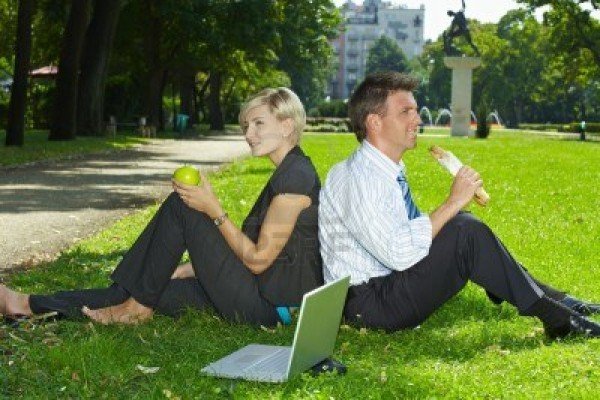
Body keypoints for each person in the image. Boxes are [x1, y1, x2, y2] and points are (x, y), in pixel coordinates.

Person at [1, 87, 322, 326]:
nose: (248, 134)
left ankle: (137, 305)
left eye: (258, 124)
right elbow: (259, 256)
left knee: (185, 206)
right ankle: (27, 304)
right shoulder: (288, 173)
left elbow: (257, 260)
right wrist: (185, 268)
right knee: (143, 289)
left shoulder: (295, 178)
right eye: (245, 126)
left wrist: (214, 210)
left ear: (287, 125)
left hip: (267, 308)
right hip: (253, 291)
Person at [318, 71, 600, 338]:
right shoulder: (359, 178)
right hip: (369, 306)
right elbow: (398, 253)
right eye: (406, 112)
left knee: (461, 225)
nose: (417, 120)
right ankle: (558, 318)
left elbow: (411, 234)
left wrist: (455, 215)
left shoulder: (380, 169)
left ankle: (555, 303)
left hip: (381, 290)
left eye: (416, 110)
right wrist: (452, 202)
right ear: (374, 122)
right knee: (464, 230)